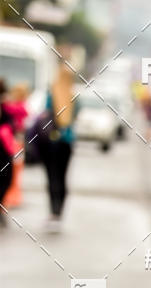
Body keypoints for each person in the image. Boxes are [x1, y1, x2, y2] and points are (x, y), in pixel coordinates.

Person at [37, 63, 77, 233]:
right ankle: (59, 214)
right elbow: (74, 117)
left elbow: (44, 115)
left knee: (52, 177)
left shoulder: (51, 95)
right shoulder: (74, 96)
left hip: (50, 143)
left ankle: (53, 213)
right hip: (67, 143)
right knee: (62, 177)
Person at [0, 79, 18, 228]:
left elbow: (14, 123)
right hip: (4, 150)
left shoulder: (6, 106)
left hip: (4, 148)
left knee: (6, 178)